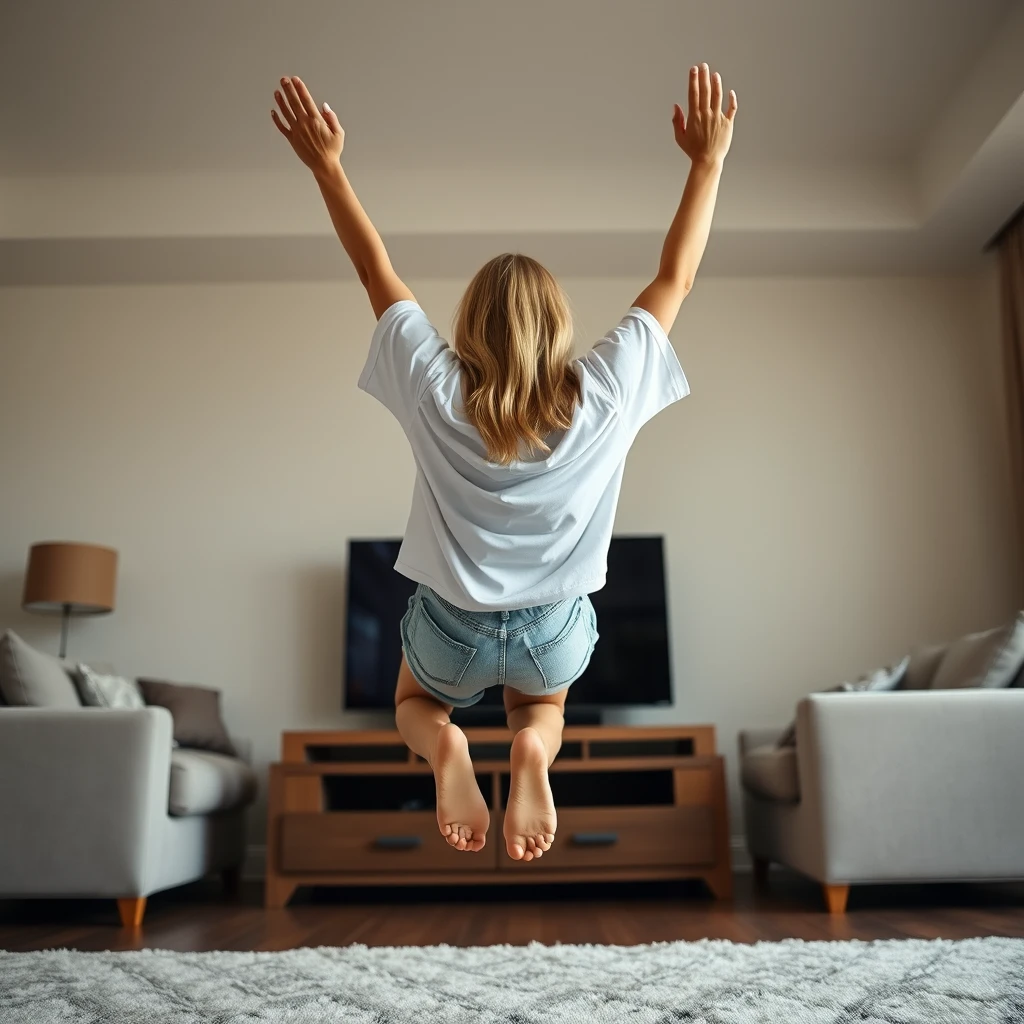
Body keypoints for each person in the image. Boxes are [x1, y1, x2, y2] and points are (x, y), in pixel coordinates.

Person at [272, 65, 737, 862]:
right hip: (550, 631)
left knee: (414, 704)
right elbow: (677, 278)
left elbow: (374, 270)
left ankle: (446, 749)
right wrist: (707, 164)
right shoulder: (604, 392)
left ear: (470, 328)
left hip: (451, 626)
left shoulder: (434, 386)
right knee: (542, 713)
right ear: (557, 327)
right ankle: (530, 753)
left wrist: (329, 168)